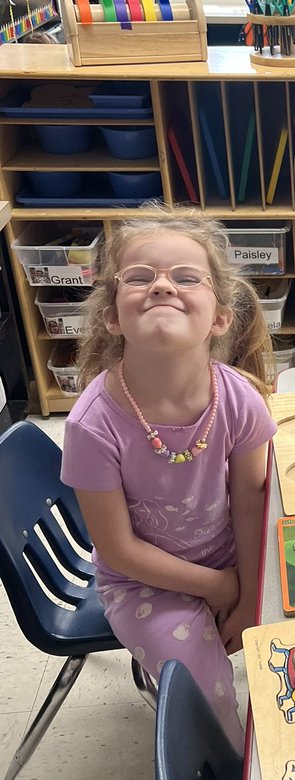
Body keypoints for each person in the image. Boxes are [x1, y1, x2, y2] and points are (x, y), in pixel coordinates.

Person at [60, 207, 276, 748]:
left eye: (185, 277)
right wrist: (220, 587)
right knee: (209, 688)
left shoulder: (239, 398)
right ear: (112, 316)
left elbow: (251, 502)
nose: (161, 285)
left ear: (221, 317)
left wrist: (249, 593)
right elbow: (119, 550)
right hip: (142, 583)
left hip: (231, 555)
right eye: (139, 277)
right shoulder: (92, 424)